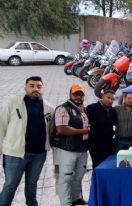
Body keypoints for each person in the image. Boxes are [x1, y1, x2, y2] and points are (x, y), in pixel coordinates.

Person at [0, 76, 54, 206]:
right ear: (25, 88)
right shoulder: (12, 102)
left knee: (32, 185)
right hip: (15, 154)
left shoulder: (49, 108)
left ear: (43, 89)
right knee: (10, 186)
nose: (35, 88)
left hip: (39, 155)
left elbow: (52, 132)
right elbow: (1, 125)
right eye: (32, 85)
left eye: (39, 86)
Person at [52, 84, 90, 206]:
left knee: (79, 176)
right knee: (66, 178)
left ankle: (75, 198)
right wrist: (83, 131)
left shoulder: (83, 109)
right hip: (67, 150)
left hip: (82, 149)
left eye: (81, 94)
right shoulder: (63, 109)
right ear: (70, 94)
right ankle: (66, 203)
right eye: (76, 94)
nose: (78, 97)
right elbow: (62, 129)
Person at [86, 90, 116, 168]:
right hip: (95, 145)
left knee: (108, 166)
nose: (110, 100)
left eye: (112, 99)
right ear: (103, 96)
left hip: (109, 144)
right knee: (97, 166)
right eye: (108, 97)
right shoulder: (91, 108)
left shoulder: (113, 111)